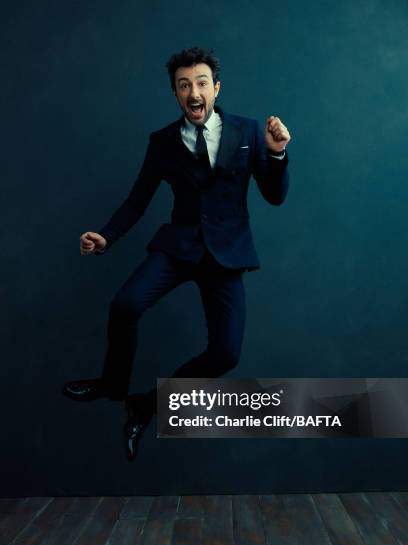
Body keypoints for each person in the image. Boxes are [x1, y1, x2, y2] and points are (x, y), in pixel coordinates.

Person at [63, 46, 291, 460]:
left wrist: (275, 153)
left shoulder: (249, 131)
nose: (194, 91)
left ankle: (147, 403)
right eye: (184, 85)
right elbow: (137, 201)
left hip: (227, 254)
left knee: (226, 354)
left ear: (216, 88)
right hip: (179, 246)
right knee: (125, 305)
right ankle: (113, 387)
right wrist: (106, 237)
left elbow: (274, 196)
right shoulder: (162, 142)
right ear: (175, 94)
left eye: (201, 83)